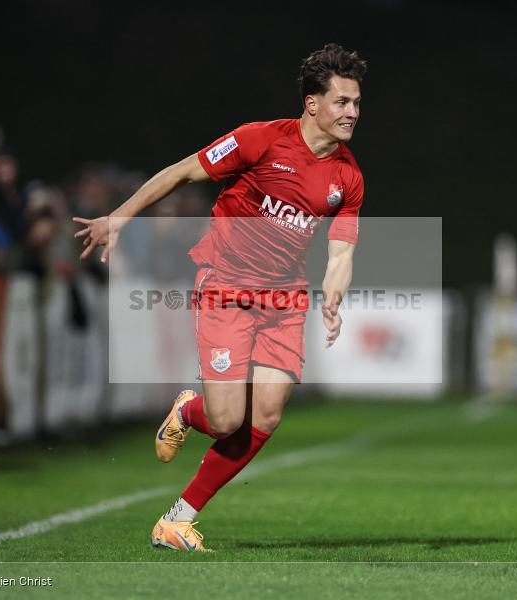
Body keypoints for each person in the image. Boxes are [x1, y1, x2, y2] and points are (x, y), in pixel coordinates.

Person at [74, 43, 366, 550]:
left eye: (357, 103)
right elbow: (181, 172)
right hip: (226, 289)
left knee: (267, 415)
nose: (352, 112)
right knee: (227, 420)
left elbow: (340, 252)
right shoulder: (260, 140)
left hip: (284, 301)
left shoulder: (349, 177)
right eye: (342, 102)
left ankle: (176, 520)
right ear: (312, 103)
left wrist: (334, 301)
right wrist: (119, 217)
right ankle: (190, 411)